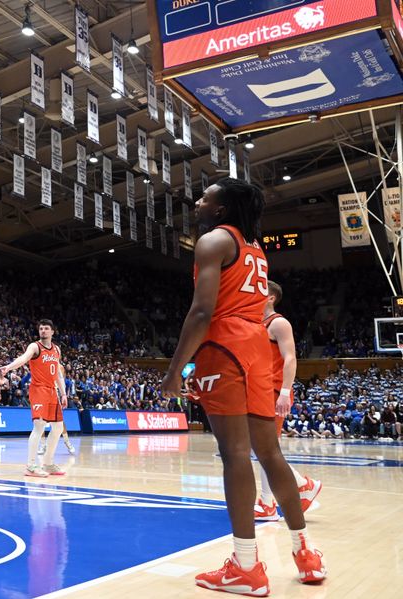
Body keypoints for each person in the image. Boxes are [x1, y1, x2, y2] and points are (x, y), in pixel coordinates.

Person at [161, 178, 325, 595]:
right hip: (255, 345)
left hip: (226, 346)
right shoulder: (255, 248)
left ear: (220, 210)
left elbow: (201, 313)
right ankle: (305, 552)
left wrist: (174, 370)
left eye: (206, 197)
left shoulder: (213, 241)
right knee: (270, 454)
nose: (197, 201)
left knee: (234, 456)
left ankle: (246, 567)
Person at [255, 281, 322, 521]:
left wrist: (285, 390)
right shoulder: (257, 324)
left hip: (274, 391)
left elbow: (291, 357)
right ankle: (296, 489)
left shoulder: (279, 323)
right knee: (261, 448)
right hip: (259, 391)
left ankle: (271, 500)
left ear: (271, 297)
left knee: (266, 449)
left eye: (259, 289)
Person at [0, 319, 68, 477]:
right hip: (38, 390)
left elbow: (57, 373)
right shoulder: (35, 346)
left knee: (58, 428)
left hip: (53, 391)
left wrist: (63, 393)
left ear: (52, 332)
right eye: (41, 328)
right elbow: (24, 358)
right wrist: (9, 367)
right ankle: (31, 466)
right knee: (39, 427)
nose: (43, 331)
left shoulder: (56, 349)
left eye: (46, 328)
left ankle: (48, 463)